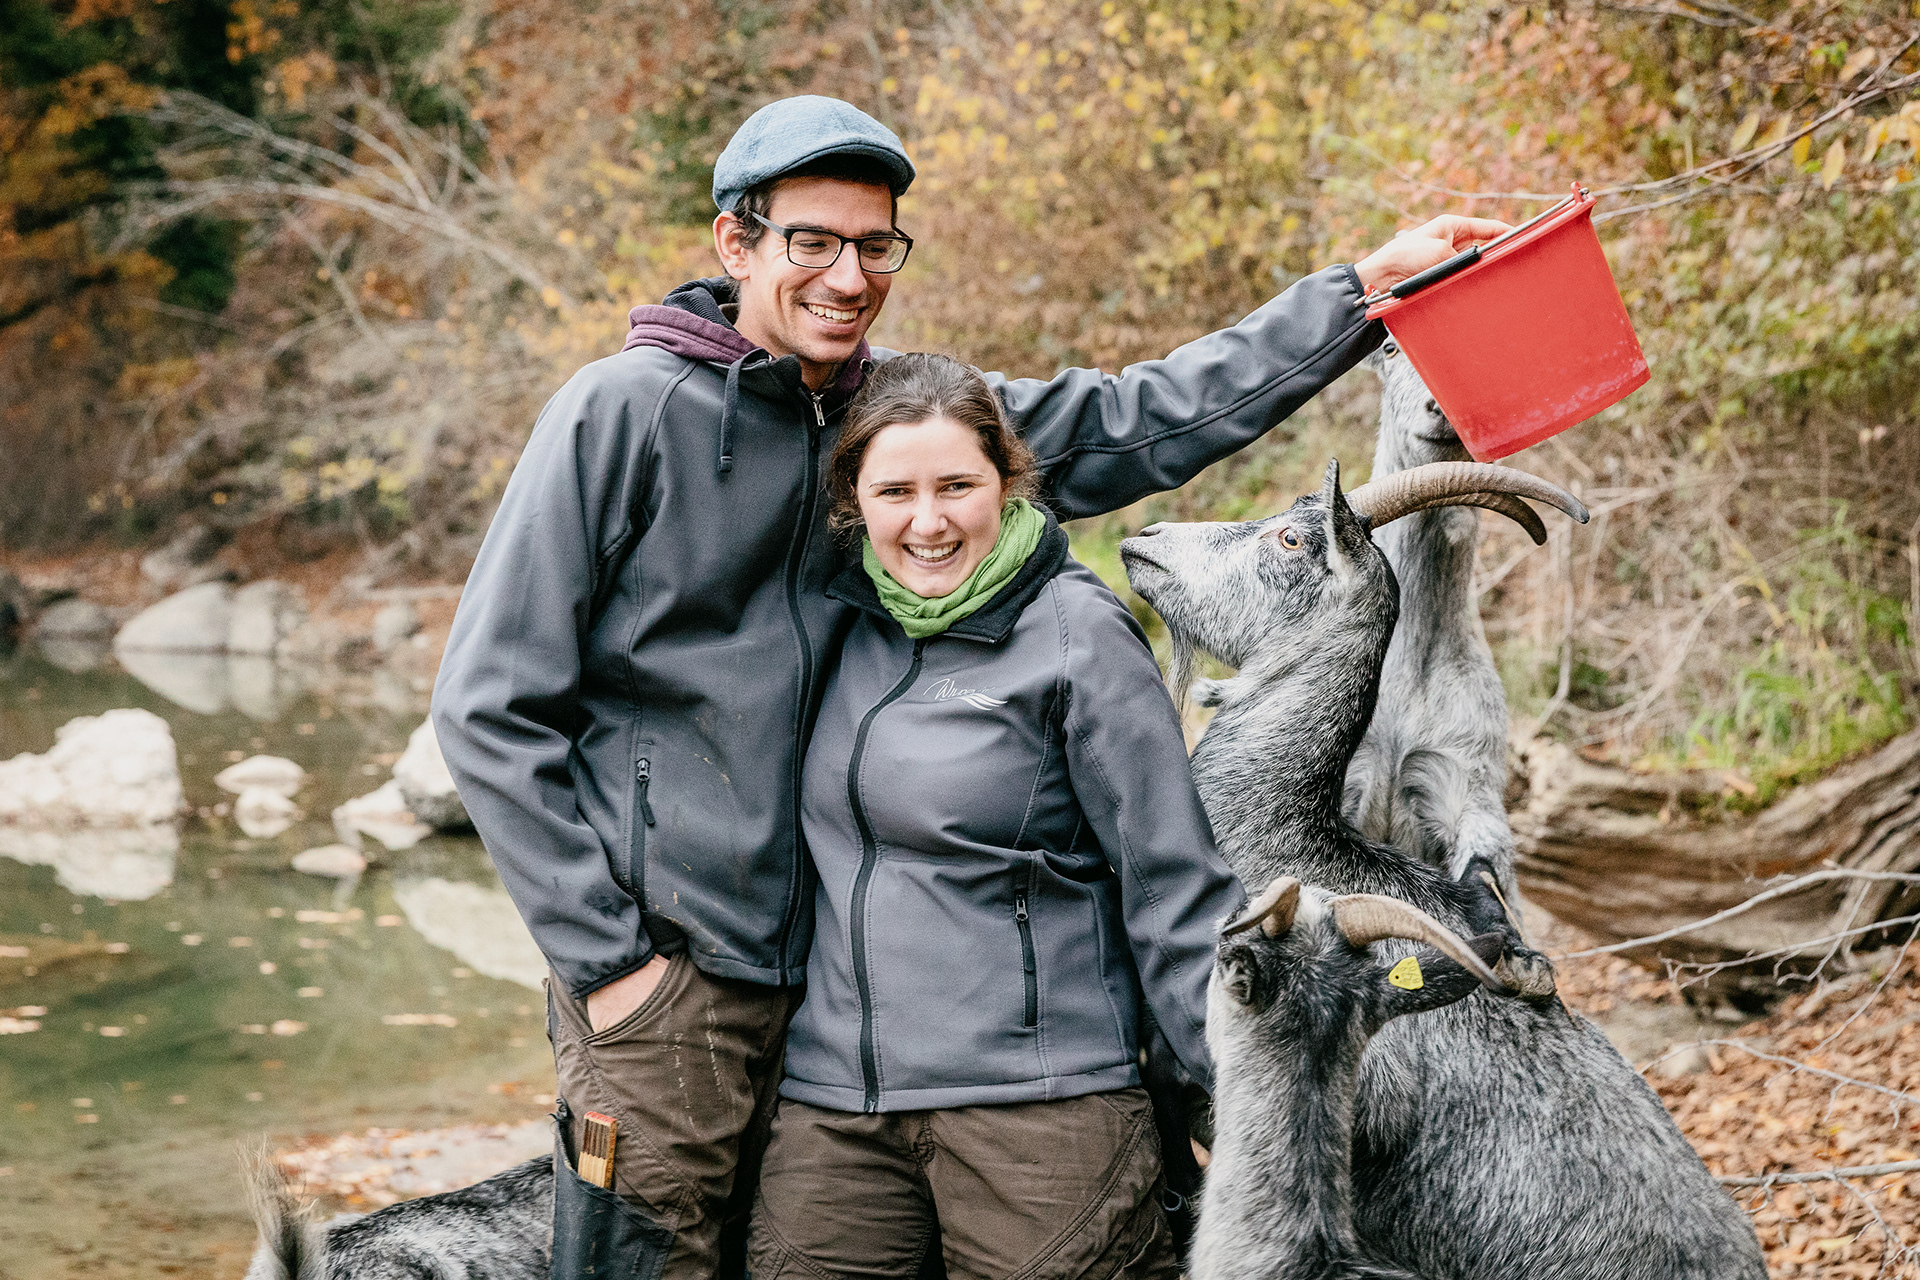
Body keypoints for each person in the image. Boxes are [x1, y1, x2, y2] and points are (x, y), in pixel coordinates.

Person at [431, 93, 1508, 1280]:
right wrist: (610, 960)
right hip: (667, 976)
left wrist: (1361, 295)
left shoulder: (891, 417)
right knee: (641, 1262)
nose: (849, 275)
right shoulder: (619, 413)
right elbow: (487, 702)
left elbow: (1132, 415)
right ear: (737, 244)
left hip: (822, 984)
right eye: (813, 242)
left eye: (875, 244)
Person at [743, 352, 1239, 1279]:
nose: (927, 522)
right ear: (853, 499)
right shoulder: (841, 621)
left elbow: (1173, 884)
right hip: (836, 1113)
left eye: (957, 486)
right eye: (896, 490)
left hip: (1044, 1115)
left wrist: (1237, 1093)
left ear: (1008, 483)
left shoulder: (1076, 633)